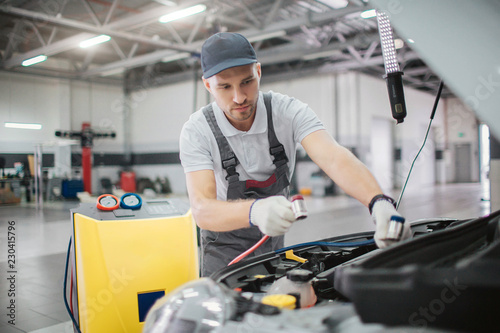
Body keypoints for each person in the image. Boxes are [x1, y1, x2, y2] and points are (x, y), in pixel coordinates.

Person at [179, 32, 411, 277]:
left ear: (258, 71)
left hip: (272, 243)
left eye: (247, 81)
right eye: (225, 87)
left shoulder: (287, 112)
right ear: (207, 85)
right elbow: (203, 209)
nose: (239, 97)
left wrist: (379, 202)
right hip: (223, 249)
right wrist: (255, 211)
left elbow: (333, 157)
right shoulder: (197, 131)